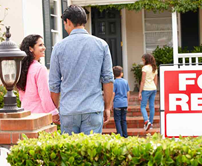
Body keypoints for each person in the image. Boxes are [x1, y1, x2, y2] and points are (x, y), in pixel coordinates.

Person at [49, 5, 114, 135]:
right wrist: (107, 107)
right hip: (93, 107)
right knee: (91, 154)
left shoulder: (59, 47)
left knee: (69, 153)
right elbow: (108, 79)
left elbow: (54, 84)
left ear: (67, 21)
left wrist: (57, 108)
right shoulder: (101, 45)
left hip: (69, 110)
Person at [16, 35, 59, 123]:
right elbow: (45, 95)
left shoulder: (21, 69)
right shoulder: (40, 69)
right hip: (39, 116)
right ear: (31, 48)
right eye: (40, 45)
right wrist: (54, 113)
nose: (44, 48)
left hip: (26, 115)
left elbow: (21, 96)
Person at [138, 53, 158, 131]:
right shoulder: (154, 68)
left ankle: (146, 121)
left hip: (146, 89)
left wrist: (140, 92)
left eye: (143, 60)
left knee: (143, 106)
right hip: (153, 88)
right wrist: (155, 88)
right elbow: (155, 80)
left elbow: (143, 81)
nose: (143, 61)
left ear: (146, 60)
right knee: (151, 106)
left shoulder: (145, 68)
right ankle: (151, 123)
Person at [112, 66, 130, 138]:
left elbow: (113, 93)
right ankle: (125, 135)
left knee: (117, 120)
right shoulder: (125, 82)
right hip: (124, 103)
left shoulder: (114, 82)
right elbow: (128, 92)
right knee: (124, 120)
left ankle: (120, 135)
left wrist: (110, 104)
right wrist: (127, 102)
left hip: (117, 103)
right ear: (121, 74)